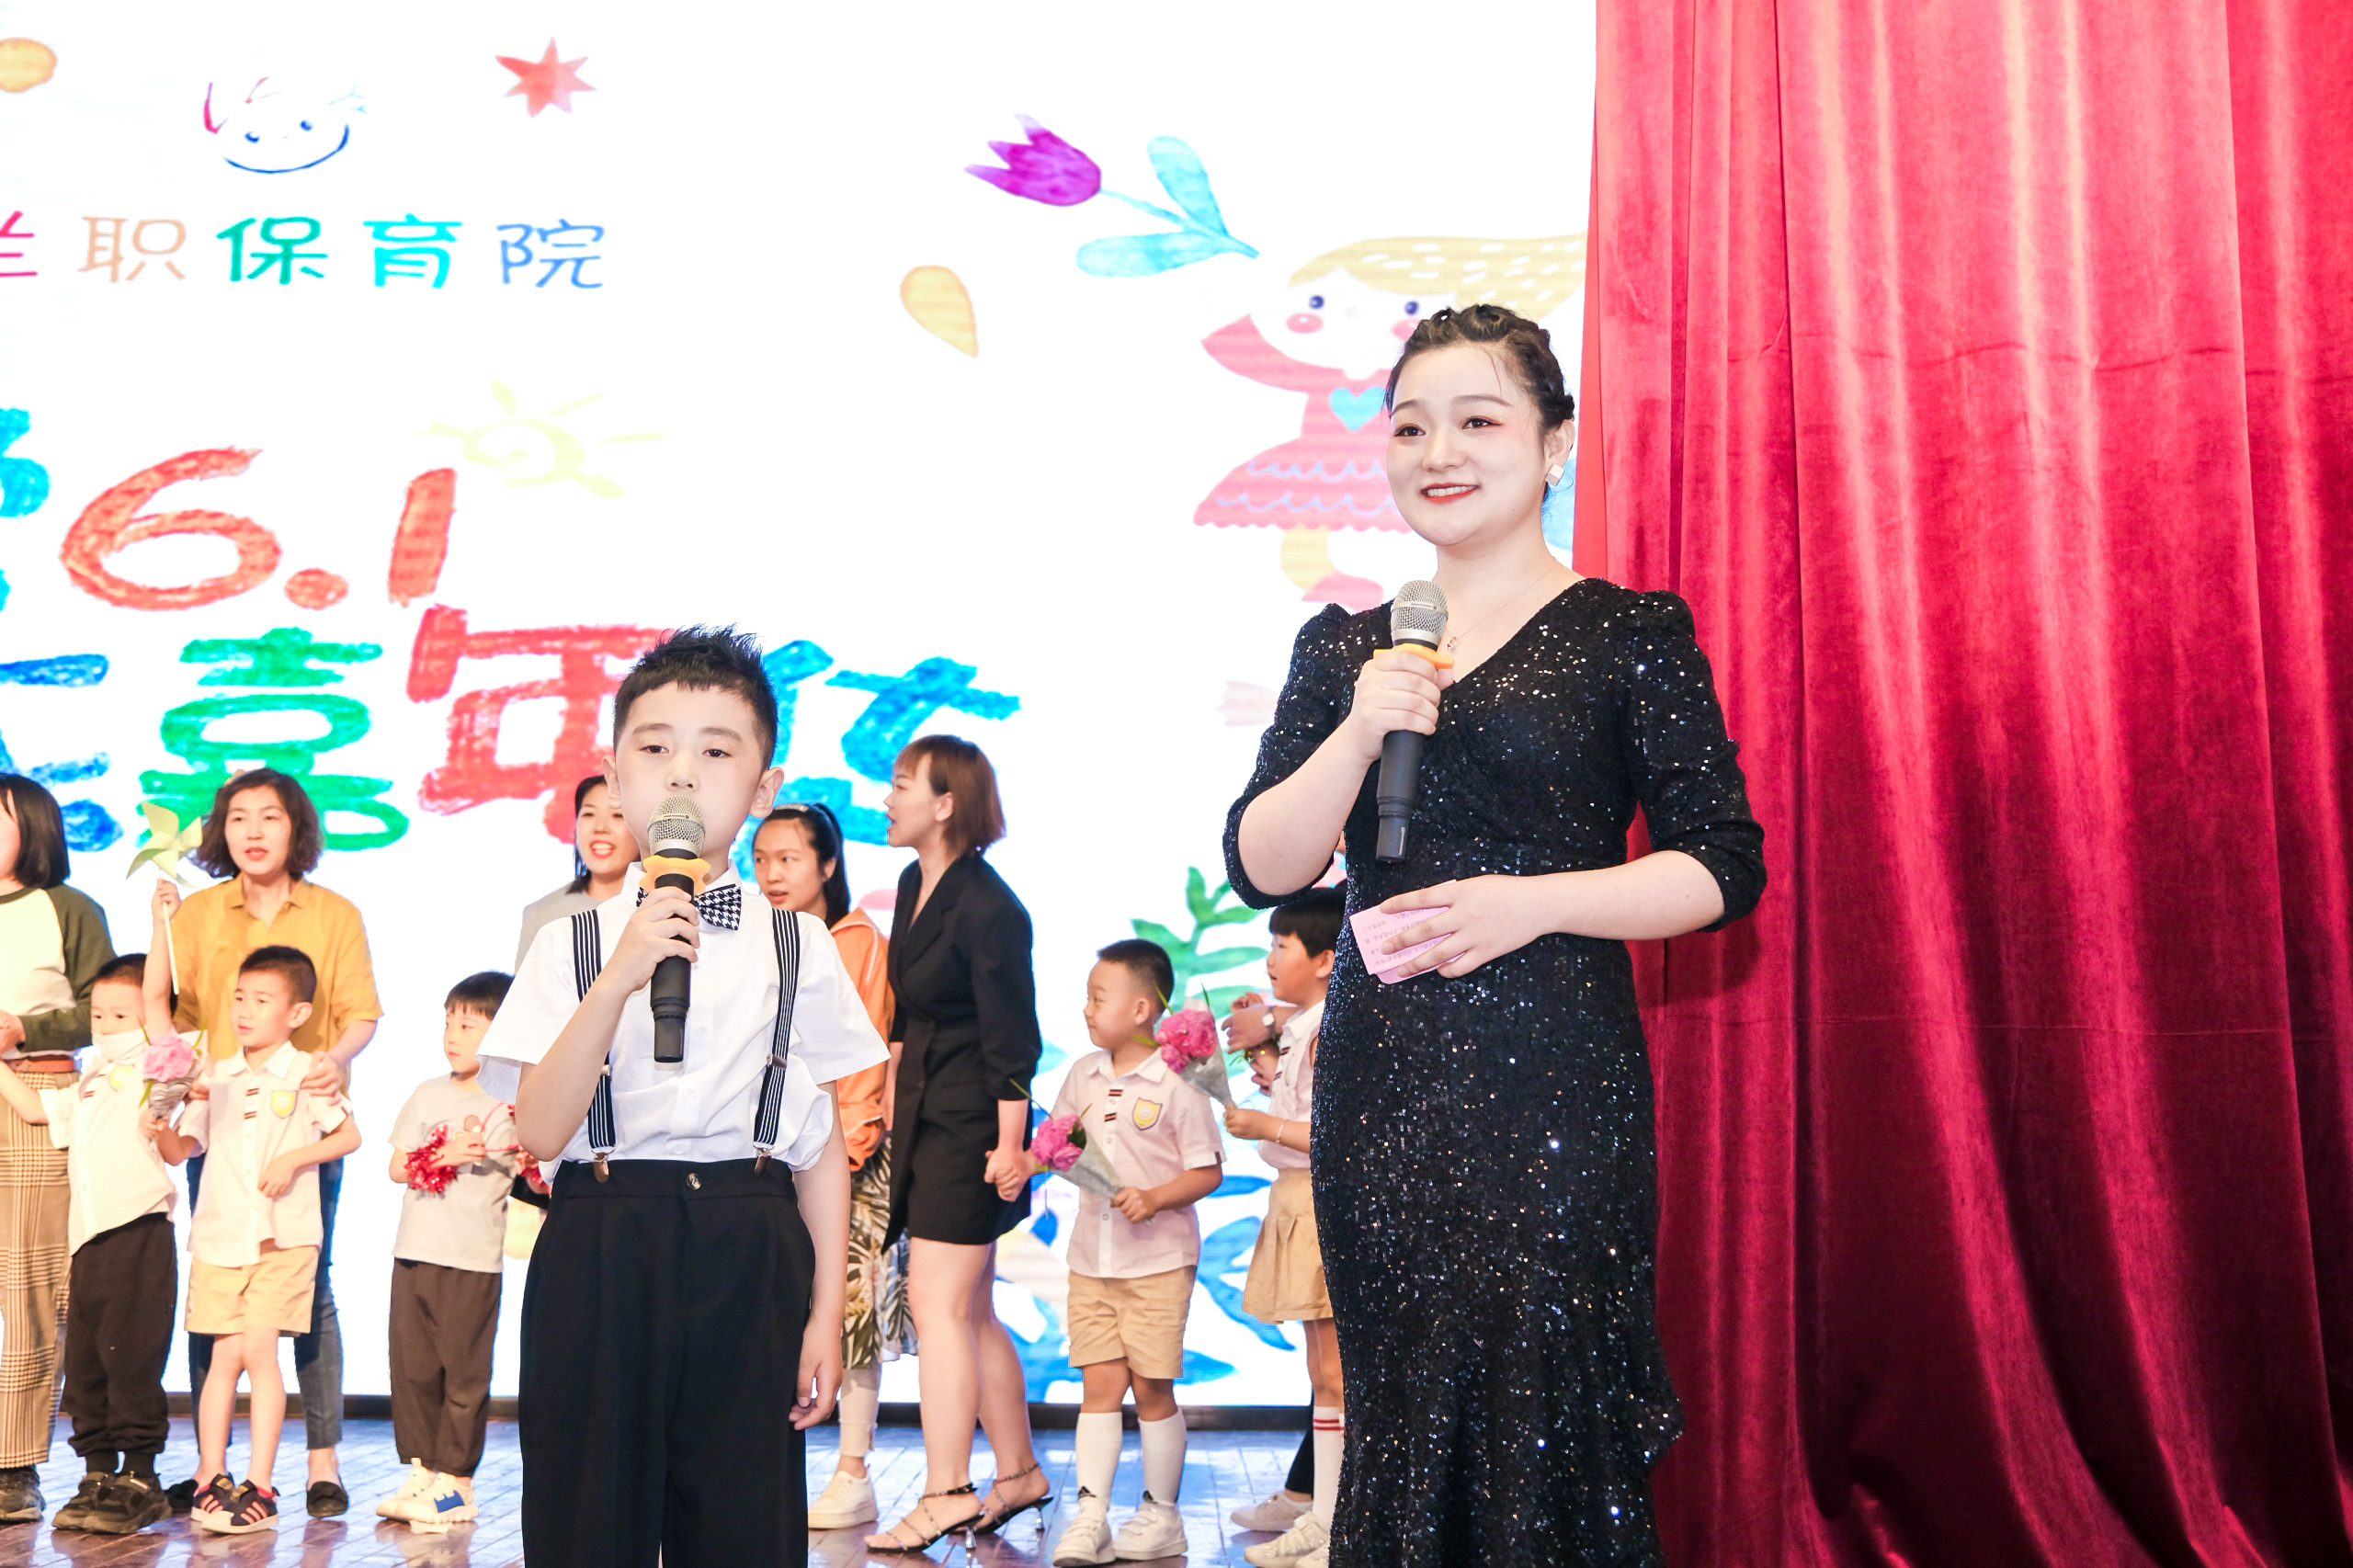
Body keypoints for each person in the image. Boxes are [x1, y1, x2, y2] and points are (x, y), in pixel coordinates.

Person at [1224, 303, 1767, 1564]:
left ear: (1555, 442)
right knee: (1404, 1408)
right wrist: (1359, 728)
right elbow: (1263, 863)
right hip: (1384, 1090)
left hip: (1556, 1088)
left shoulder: (1628, 633)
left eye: (1478, 420)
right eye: (1411, 426)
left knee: (1544, 1410)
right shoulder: (1346, 648)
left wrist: (1537, 900)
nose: (1440, 452)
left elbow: (1721, 865)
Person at [485, 626, 884, 1567]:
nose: (681, 774)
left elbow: (819, 1144)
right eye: (656, 746)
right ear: (615, 774)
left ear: (763, 787)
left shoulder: (799, 944)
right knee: (587, 1522)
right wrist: (618, 977)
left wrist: (825, 1313)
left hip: (750, 1238)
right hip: (601, 1234)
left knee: (743, 1525)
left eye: (716, 752)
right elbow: (539, 1128)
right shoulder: (570, 943)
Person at [157, 767, 381, 1517]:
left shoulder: (334, 913)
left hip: (300, 1116)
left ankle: (320, 1461)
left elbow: (360, 1014)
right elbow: (176, 1018)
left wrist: (330, 1063)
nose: (253, 831)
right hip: (220, 1122)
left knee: (311, 1287)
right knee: (216, 1292)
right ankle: (211, 1467)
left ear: (297, 829)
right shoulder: (196, 913)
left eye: (270, 817)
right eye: (238, 817)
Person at [865, 735, 1047, 1552]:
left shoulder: (991, 908)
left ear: (946, 803)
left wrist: (1012, 1150)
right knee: (970, 1309)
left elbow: (1013, 1044)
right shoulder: (916, 882)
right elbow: (911, 1013)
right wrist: (887, 1098)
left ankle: (946, 1490)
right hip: (927, 1114)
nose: (888, 797)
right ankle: (1020, 1473)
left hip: (974, 1127)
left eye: (903, 784)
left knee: (937, 1305)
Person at [151, 946, 362, 1535]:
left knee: (260, 1353)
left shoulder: (306, 1072)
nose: (244, 1010)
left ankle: (260, 1485)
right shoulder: (214, 1076)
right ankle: (212, 1478)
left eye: (262, 1000)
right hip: (220, 1239)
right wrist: (157, 1120)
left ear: (297, 1014)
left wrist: (294, 1158)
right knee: (224, 1356)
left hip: (284, 1239)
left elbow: (348, 1137)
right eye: (239, 997)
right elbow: (181, 1150)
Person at [752, 803, 911, 1533]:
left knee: (850, 1310)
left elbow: (861, 1056)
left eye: (788, 858)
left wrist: (848, 1145)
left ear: (827, 865)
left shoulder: (853, 939)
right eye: (761, 859)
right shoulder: (756, 941)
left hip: (843, 1152)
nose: (772, 873)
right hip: (772, 1156)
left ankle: (853, 1469)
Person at [1046, 939, 1225, 1567]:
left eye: (1099, 998)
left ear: (1143, 1009)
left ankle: (1161, 1513)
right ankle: (1091, 1516)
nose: (1087, 1009)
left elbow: (1207, 1171)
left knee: (1151, 1387)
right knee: (1099, 1384)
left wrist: (1154, 1198)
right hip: (1090, 1260)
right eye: (1087, 998)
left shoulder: (1179, 1081)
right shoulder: (1082, 1074)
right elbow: (1059, 1142)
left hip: (1158, 1264)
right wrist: (1049, 1157)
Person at [0, 947, 179, 1538]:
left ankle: (141, 1478)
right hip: (88, 1242)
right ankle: (97, 1474)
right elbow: (35, 1110)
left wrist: (160, 925)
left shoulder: (158, 1068)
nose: (105, 1026)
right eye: (97, 1015)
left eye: (120, 1015)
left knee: (133, 1359)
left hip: (139, 1233)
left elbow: (160, 1004)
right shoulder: (91, 1080)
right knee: (86, 1364)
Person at [0, 775, 114, 1522]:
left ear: (34, 826)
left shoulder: (66, 908)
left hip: (34, 1095)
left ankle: (15, 1464)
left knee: (31, 1290)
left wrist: (24, 1029)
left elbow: (106, 1012)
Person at [1221, 889, 1344, 1567]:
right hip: (1295, 1199)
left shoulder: (1330, 1031)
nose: (1271, 958)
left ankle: (1336, 1524)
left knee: (1338, 1374)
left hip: (1321, 1202)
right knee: (1321, 1372)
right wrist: (1268, 1061)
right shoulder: (1303, 1029)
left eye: (1282, 945)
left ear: (1325, 961)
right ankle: (1320, 1517)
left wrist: (1264, 1124)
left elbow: (1334, 1134)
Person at [376, 971, 518, 1529]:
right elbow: (396, 1167)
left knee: (463, 1374)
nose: (452, 1036)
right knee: (413, 1369)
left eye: (467, 1026)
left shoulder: (513, 1100)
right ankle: (424, 1469)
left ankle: (458, 1483)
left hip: (471, 1259)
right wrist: (443, 1154)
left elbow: (533, 1166)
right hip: (414, 1251)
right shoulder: (427, 1093)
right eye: (448, 1024)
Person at [516, 775, 635, 967]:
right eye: (589, 814)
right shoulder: (542, 915)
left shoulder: (662, 908)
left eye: (617, 815)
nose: (600, 828)